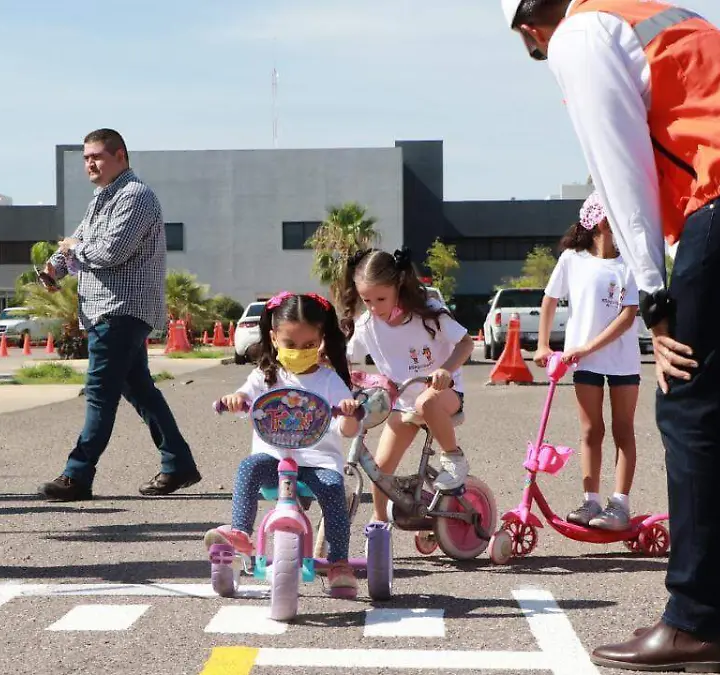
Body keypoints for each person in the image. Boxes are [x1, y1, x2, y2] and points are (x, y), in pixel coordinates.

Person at [501, 0, 720, 669]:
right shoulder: (638, 11)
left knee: (689, 404)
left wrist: (652, 292)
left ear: (531, 28)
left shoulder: (578, 37)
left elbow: (619, 170)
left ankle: (694, 619)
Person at [38, 128, 201, 502]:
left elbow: (111, 251)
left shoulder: (136, 196)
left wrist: (76, 248)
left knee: (99, 393)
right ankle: (178, 463)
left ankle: (77, 475)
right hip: (103, 311)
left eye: (97, 156)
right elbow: (76, 245)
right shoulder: (101, 198)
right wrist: (54, 268)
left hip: (121, 309)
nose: (90, 164)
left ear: (121, 156)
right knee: (140, 389)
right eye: (86, 158)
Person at [205, 292, 361, 597]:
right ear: (274, 338)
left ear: (321, 341)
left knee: (333, 490)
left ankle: (339, 561)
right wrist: (235, 401)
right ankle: (240, 533)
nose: (299, 351)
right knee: (249, 468)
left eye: (308, 345)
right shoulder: (265, 376)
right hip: (273, 457)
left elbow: (347, 428)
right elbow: (244, 398)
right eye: (290, 344)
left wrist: (350, 410)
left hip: (317, 460)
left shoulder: (329, 381)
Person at [339, 248, 475, 533]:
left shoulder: (427, 313)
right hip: (403, 404)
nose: (374, 307)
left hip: (444, 396)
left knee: (427, 402)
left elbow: (466, 343)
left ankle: (454, 457)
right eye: (367, 300)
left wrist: (446, 370)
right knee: (379, 470)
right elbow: (345, 356)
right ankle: (378, 526)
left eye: (381, 299)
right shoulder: (366, 325)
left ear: (398, 285)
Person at [534, 193, 640, 531]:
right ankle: (590, 500)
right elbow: (549, 300)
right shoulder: (572, 259)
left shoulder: (630, 262)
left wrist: (588, 347)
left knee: (623, 429)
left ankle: (619, 505)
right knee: (591, 430)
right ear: (601, 221)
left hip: (621, 359)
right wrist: (541, 345)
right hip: (583, 361)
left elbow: (628, 316)